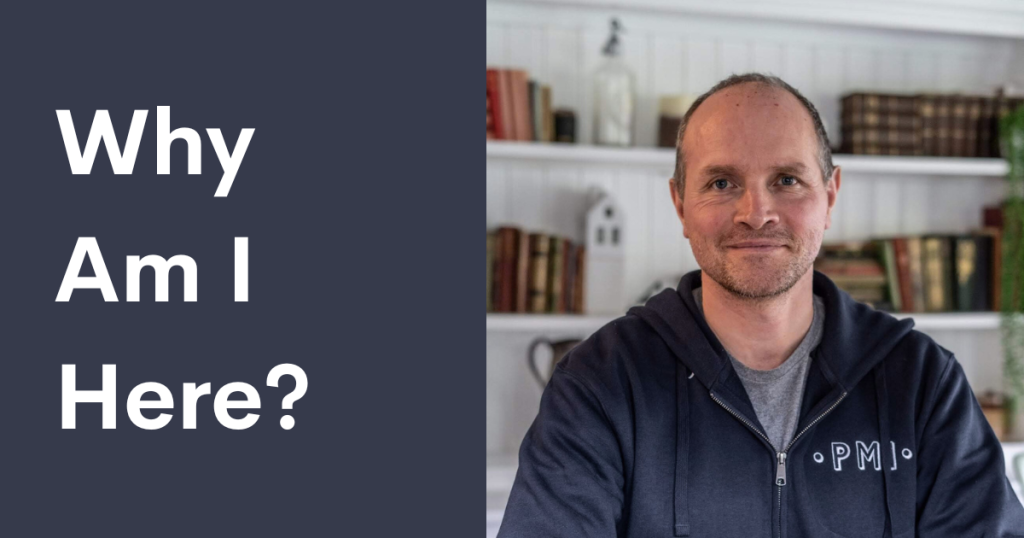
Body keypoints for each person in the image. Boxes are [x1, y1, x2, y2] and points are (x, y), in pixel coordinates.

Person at [497, 73, 1024, 537]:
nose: (756, 212)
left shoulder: (922, 382)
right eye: (722, 182)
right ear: (680, 204)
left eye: (786, 180)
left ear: (830, 196)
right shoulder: (600, 384)